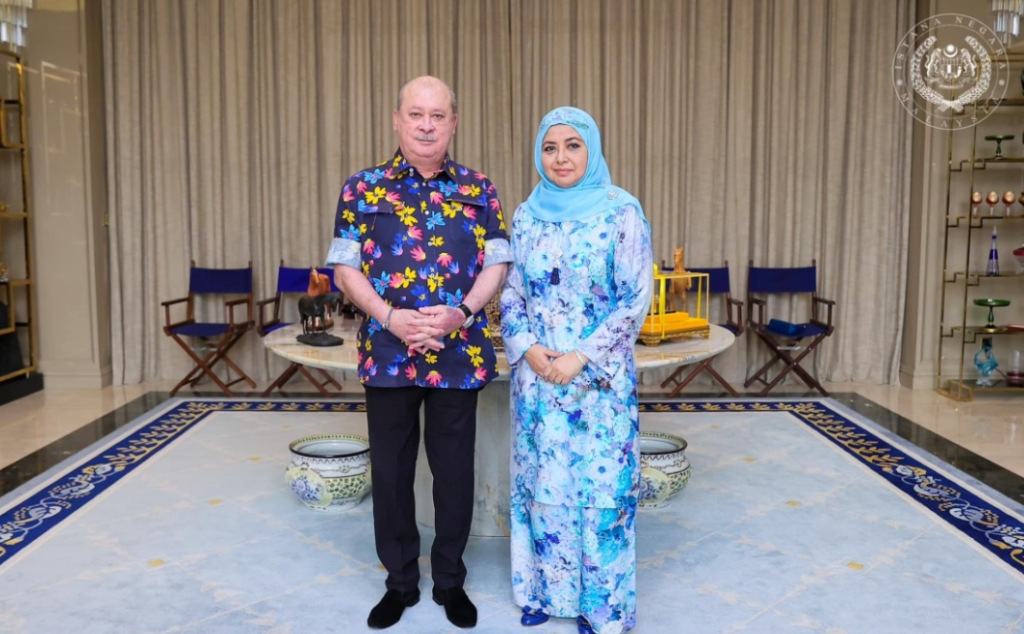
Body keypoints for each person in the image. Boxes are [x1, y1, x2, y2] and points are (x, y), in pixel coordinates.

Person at [326, 76, 512, 630]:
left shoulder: (481, 188)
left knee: (454, 475)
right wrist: (390, 318)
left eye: (437, 115)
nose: (426, 125)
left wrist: (463, 313)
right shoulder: (362, 188)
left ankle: (450, 581)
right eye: (416, 114)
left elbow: (498, 263)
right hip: (388, 353)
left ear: (454, 123)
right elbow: (345, 268)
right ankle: (401, 582)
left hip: (457, 353)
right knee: (391, 475)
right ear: (397, 120)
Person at [500, 107, 653, 634]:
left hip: (599, 382)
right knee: (544, 485)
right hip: (538, 379)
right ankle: (542, 591)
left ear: (592, 150)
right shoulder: (526, 215)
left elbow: (635, 299)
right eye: (550, 147)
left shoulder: (621, 212)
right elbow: (512, 293)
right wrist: (527, 347)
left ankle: (601, 607)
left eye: (572, 145)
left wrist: (580, 356)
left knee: (600, 491)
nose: (560, 158)